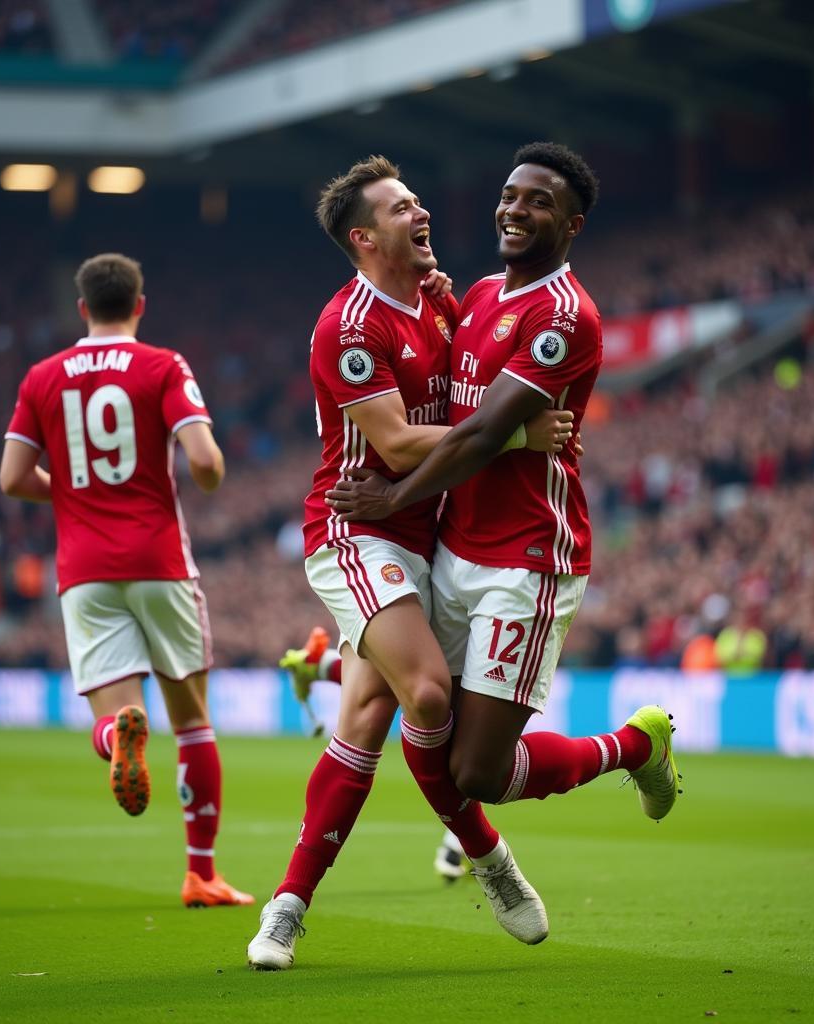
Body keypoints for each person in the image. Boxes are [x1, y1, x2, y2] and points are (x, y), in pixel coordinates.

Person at [247, 156, 575, 971]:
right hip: (361, 529)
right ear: (365, 239)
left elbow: (467, 404)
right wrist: (520, 432)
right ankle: (489, 858)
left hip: (436, 533)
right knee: (426, 691)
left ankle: (286, 907)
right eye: (401, 208)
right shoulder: (348, 326)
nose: (420, 211)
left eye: (417, 200)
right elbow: (394, 443)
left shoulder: (438, 303)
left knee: (364, 718)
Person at [325, 143, 680, 858]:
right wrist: (436, 300)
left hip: (526, 555)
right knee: (429, 715)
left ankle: (636, 745)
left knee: (478, 771)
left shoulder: (565, 315)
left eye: (539, 202)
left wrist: (393, 493)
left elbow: (482, 433)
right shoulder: (481, 296)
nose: (516, 209)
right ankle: (328, 662)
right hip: (456, 545)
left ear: (572, 226)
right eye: (512, 194)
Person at [0, 252, 253, 909]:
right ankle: (201, 874)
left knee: (111, 712)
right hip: (160, 560)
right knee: (193, 721)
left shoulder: (42, 377)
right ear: (140, 305)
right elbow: (203, 460)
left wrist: (71, 496)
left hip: (84, 569)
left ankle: (117, 739)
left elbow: (11, 478)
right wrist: (212, 472)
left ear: (81, 309)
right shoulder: (163, 365)